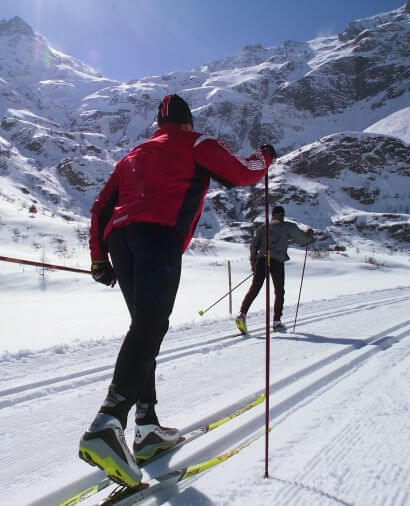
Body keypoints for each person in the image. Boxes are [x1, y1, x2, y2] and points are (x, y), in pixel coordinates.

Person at [79, 93, 276, 486]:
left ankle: (147, 427)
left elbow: (101, 207)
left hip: (121, 240)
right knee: (151, 326)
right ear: (187, 122)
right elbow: (240, 172)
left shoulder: (132, 156)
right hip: (158, 237)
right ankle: (108, 422)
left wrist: (100, 259)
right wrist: (265, 156)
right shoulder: (195, 143)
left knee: (145, 327)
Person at [235, 205, 315, 335]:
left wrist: (253, 263)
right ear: (282, 215)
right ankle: (277, 322)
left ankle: (242, 314)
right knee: (279, 291)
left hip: (261, 260)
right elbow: (303, 240)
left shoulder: (263, 228)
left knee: (254, 289)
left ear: (272, 216)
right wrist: (309, 235)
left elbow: (254, 246)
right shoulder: (287, 226)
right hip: (277, 261)